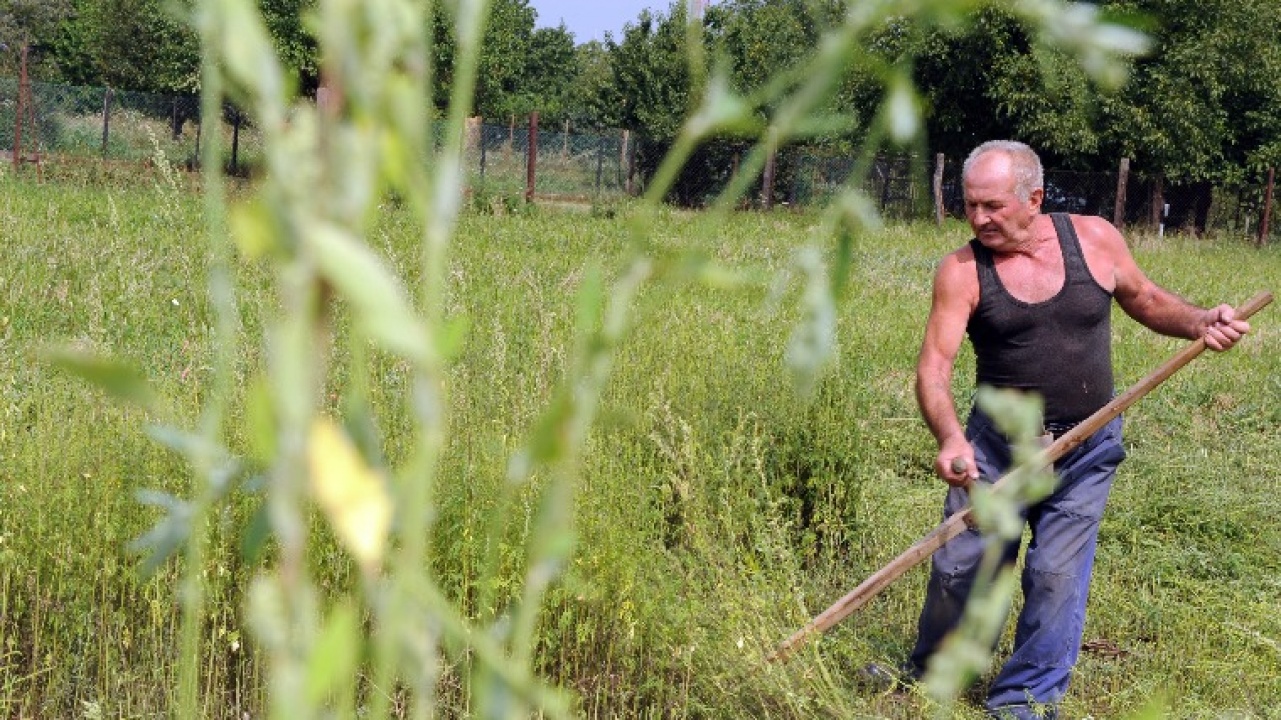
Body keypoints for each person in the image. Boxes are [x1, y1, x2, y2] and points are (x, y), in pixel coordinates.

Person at [906, 140, 1249, 718]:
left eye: (993, 206)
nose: (980, 218)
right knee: (962, 567)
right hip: (997, 448)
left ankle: (1025, 700)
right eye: (971, 205)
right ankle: (933, 675)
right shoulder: (962, 271)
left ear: (1034, 198)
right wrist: (950, 437)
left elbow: (1145, 298)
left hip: (1087, 444)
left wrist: (1198, 322)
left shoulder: (1093, 238)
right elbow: (933, 369)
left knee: (1056, 575)